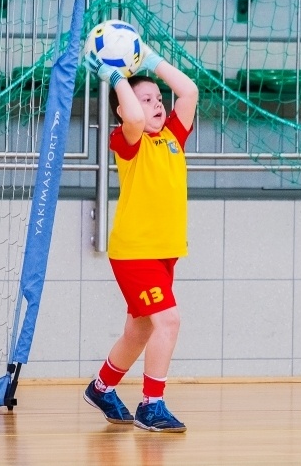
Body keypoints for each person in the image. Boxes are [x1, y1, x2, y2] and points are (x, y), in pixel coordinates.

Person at [82, 40, 198, 433]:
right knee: (169, 321)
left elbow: (189, 91)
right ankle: (152, 405)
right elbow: (130, 115)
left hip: (165, 253)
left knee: (140, 329)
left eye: (158, 98)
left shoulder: (172, 137)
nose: (157, 103)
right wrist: (115, 75)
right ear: (126, 108)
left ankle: (102, 387)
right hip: (136, 253)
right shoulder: (128, 142)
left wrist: (152, 60)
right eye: (146, 99)